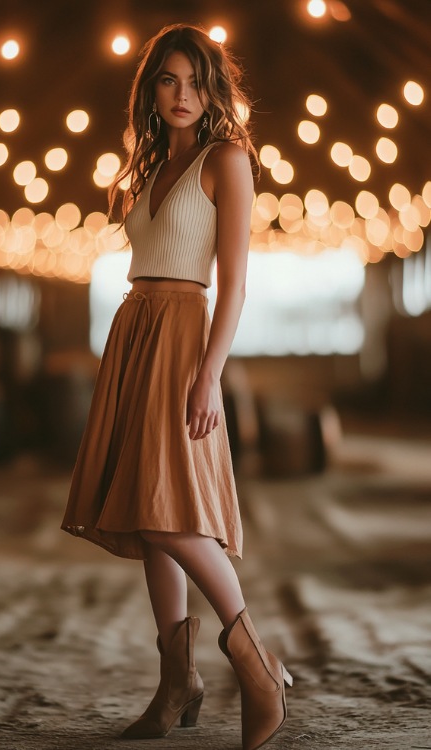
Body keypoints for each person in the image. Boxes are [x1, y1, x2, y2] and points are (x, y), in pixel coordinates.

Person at [61, 23, 292, 750]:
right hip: (135, 330)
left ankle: (257, 667)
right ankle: (176, 683)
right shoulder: (149, 164)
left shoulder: (229, 161)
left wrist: (210, 375)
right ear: (152, 90)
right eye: (169, 79)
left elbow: (234, 286)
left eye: (195, 81)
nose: (183, 94)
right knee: (142, 504)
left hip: (187, 333)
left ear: (213, 89)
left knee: (169, 514)